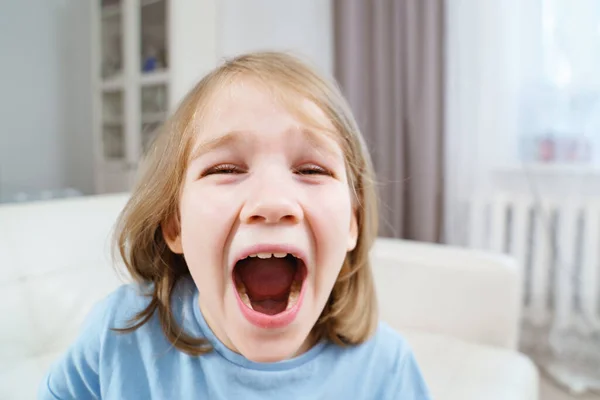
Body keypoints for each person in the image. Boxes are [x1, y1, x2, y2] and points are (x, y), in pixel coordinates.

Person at [39, 51, 431, 399]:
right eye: (225, 169)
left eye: (311, 169)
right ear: (175, 224)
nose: (273, 202)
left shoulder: (386, 369)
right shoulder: (120, 336)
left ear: (352, 223)